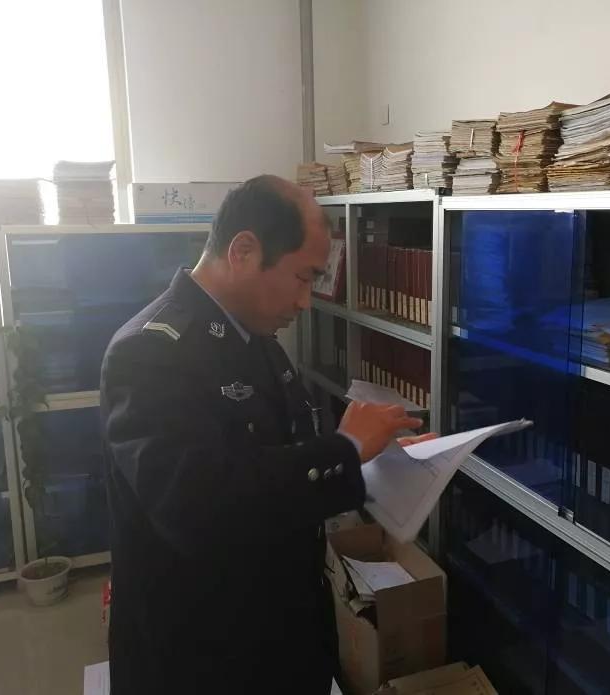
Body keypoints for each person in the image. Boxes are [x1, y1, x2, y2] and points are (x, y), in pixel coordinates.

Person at [100, 175, 430, 694]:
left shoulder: (256, 339)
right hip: (202, 654)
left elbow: (276, 463)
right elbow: (195, 507)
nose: (306, 302)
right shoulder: (150, 352)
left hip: (279, 631)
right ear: (244, 252)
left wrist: (370, 460)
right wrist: (342, 449)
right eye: (303, 277)